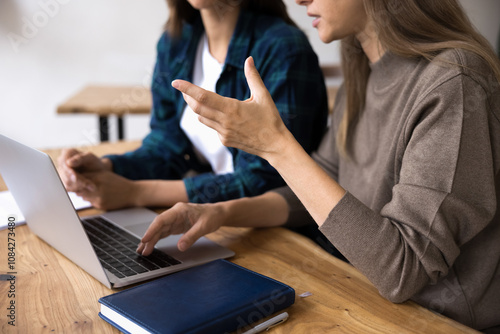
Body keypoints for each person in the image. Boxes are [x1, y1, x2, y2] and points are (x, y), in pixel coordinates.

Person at [136, 0, 500, 331]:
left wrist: (277, 145)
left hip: (435, 321)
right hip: (357, 293)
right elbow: (314, 192)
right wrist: (219, 212)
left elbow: (403, 271)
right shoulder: (364, 73)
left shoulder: (454, 83)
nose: (299, 0)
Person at [57, 0, 328, 210]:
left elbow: (267, 180)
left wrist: (135, 193)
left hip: (277, 234)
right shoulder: (176, 44)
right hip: (210, 218)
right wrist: (107, 168)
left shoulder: (284, 49)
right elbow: (166, 146)